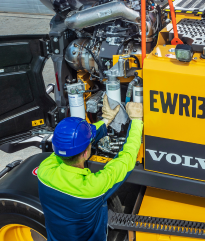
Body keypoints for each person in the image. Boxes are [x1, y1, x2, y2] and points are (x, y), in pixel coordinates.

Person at [37, 95, 143, 241]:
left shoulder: (44, 170)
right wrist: (137, 121)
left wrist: (106, 120)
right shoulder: (91, 188)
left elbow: (69, 145)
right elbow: (127, 159)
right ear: (86, 152)